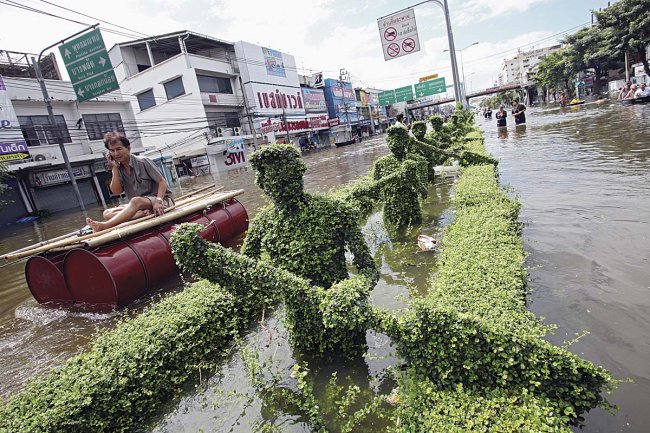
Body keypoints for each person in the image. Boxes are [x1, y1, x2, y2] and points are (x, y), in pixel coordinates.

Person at [86, 131, 174, 232]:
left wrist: (158, 201)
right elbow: (116, 192)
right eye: (112, 150)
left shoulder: (143, 161)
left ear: (128, 148)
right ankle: (141, 214)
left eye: (119, 149)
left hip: (161, 200)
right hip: (140, 207)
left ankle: (105, 226)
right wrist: (114, 168)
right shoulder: (119, 168)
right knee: (107, 213)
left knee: (135, 201)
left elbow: (162, 182)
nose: (116, 153)